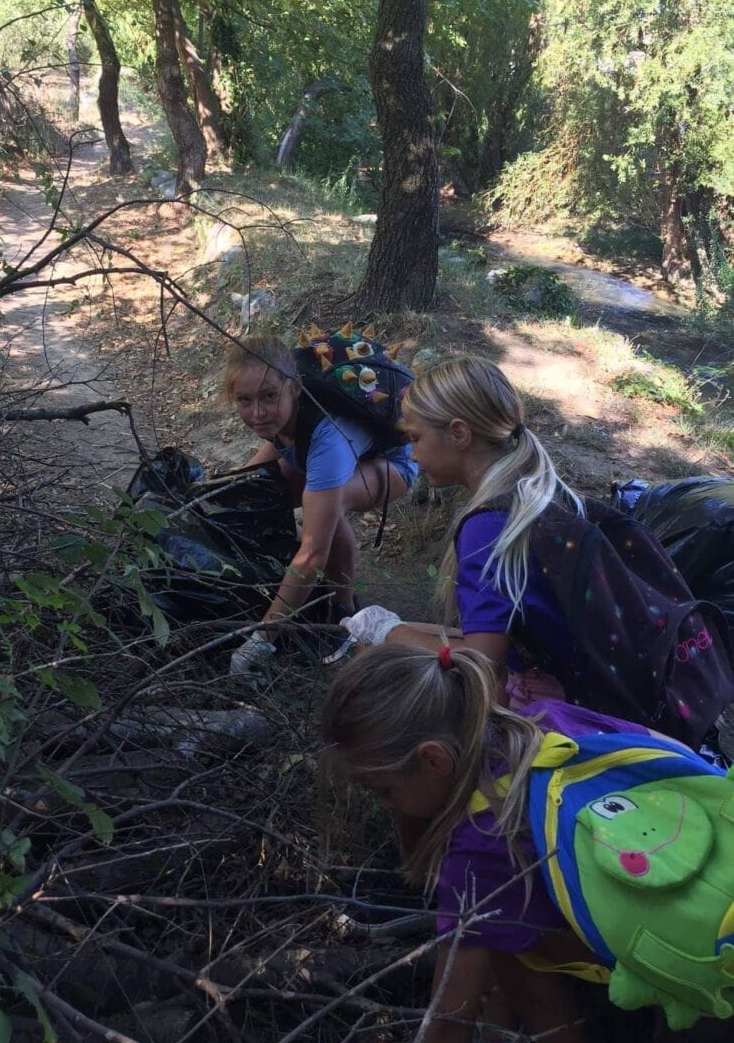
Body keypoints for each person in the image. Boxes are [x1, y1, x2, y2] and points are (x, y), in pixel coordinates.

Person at [340, 355, 733, 746]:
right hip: (634, 699)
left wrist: (388, 632)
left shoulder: (486, 529)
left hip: (593, 728)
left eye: (415, 438)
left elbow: (481, 665)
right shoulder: (545, 494)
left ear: (459, 433)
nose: (412, 455)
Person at [322, 640, 658, 1043]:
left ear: (433, 759)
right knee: (505, 928)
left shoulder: (480, 844)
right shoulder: (546, 721)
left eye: (383, 791)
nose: (385, 805)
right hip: (693, 883)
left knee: (505, 939)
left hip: (690, 968)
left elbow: (448, 1022)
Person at [223, 335, 417, 671]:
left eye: (269, 396)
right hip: (335, 451)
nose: (258, 413)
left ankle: (342, 613)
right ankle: (301, 585)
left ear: (294, 389)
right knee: (259, 489)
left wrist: (259, 642)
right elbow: (258, 470)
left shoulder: (328, 442)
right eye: (245, 400)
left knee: (326, 513)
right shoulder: (281, 414)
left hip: (393, 464)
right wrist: (218, 492)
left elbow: (312, 556)